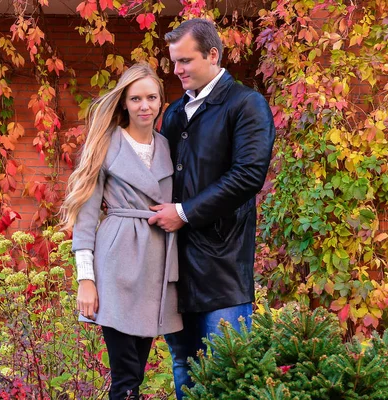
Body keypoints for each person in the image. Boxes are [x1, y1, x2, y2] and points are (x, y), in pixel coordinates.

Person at [147, 18, 276, 399]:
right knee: (184, 370)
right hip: (176, 271)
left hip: (223, 273)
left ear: (213, 54)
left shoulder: (246, 104)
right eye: (174, 62)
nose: (177, 70)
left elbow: (248, 175)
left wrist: (183, 212)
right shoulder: (173, 113)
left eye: (185, 61)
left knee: (230, 377)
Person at [61, 63, 182, 400]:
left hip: (157, 265)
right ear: (124, 103)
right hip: (116, 264)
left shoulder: (169, 147)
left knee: (136, 372)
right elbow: (85, 220)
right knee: (126, 375)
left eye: (152, 98)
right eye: (136, 98)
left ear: (161, 102)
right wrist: (87, 280)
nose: (145, 105)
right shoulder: (105, 143)